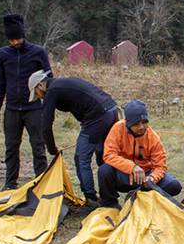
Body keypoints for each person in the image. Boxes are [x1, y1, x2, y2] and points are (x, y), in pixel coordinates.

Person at [29, 71, 118, 203]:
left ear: (40, 85)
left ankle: (91, 200)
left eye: (37, 94)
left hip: (97, 117)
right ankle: (109, 199)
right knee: (104, 157)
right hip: (110, 110)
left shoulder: (52, 90)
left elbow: (46, 125)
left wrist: (52, 149)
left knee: (81, 158)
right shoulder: (62, 83)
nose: (40, 98)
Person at [0, 14, 52, 190]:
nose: (15, 42)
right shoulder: (3, 54)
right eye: (11, 40)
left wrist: (48, 107)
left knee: (38, 147)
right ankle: (10, 183)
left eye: (18, 38)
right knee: (11, 147)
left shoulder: (38, 52)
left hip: (34, 108)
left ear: (23, 36)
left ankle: (42, 183)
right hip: (12, 109)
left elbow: (49, 80)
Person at [97, 100, 182, 208]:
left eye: (144, 122)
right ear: (128, 124)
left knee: (174, 186)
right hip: (123, 175)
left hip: (145, 178)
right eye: (136, 124)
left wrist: (152, 178)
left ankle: (142, 200)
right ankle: (110, 204)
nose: (142, 127)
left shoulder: (152, 137)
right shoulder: (118, 129)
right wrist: (132, 167)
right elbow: (109, 155)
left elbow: (160, 166)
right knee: (104, 170)